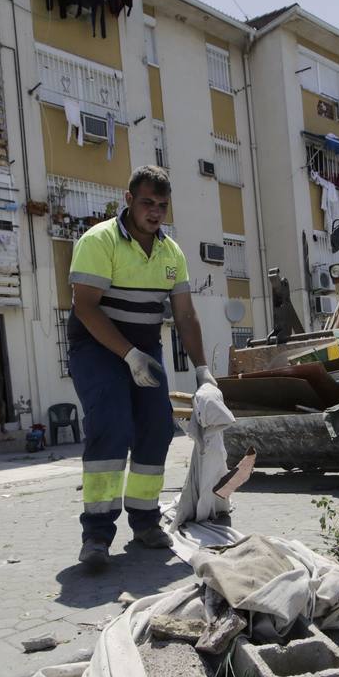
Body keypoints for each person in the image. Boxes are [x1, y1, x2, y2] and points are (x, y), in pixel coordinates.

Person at [68, 165, 217, 569]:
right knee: (112, 427)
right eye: (147, 203)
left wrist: (203, 370)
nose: (155, 212)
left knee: (156, 427)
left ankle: (146, 521)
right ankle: (96, 536)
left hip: (146, 347)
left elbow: (185, 316)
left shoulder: (171, 253)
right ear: (129, 201)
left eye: (162, 205)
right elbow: (85, 306)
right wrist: (128, 355)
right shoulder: (99, 241)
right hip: (97, 347)